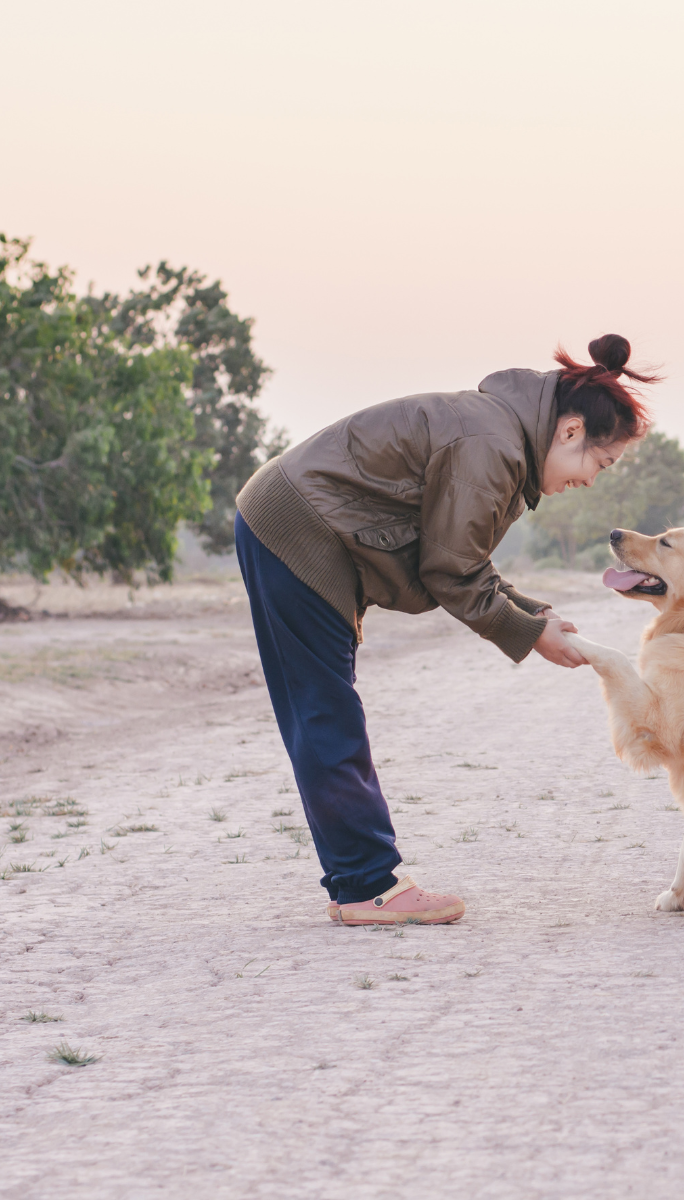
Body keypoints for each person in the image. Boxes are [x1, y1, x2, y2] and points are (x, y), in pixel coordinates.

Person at [232, 334, 657, 926]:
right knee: (324, 710)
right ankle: (366, 885)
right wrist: (531, 634)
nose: (592, 480)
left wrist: (532, 615)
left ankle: (356, 881)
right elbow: (450, 570)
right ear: (569, 431)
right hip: (299, 529)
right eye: (599, 463)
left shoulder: (498, 434)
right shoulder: (493, 445)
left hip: (292, 521)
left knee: (320, 708)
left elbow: (454, 555)